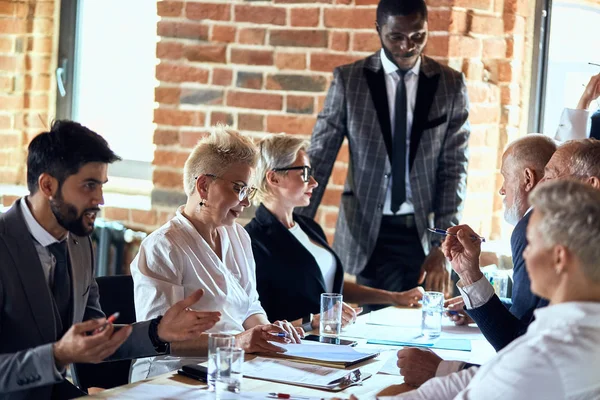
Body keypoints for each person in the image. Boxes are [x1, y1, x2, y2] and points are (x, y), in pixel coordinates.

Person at [0, 121, 221, 400]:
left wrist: (158, 332)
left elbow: (98, 336)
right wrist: (57, 356)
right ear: (47, 185)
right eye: (89, 186)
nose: (100, 200)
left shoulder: (78, 243)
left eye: (101, 186)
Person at [296, 0, 470, 308]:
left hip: (422, 231)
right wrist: (292, 227)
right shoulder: (350, 81)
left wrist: (443, 244)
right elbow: (319, 158)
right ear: (379, 30)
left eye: (418, 36)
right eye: (396, 37)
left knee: (424, 323)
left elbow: (454, 170)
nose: (407, 46)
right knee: (373, 327)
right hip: (366, 231)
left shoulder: (450, 84)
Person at [363, 180, 600, 399]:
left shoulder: (548, 354)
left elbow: (486, 387)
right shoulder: (570, 329)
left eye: (532, 243)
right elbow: (490, 374)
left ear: (559, 258)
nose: (525, 253)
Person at [130, 126, 302, 381]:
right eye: (238, 188)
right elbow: (163, 339)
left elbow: (249, 305)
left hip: (231, 365)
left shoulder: (239, 237)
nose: (245, 202)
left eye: (248, 191)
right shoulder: (162, 247)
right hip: (171, 376)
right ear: (203, 185)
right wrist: (237, 342)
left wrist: (266, 331)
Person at [397, 134, 557, 386]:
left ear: (527, 179)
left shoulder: (532, 226)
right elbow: (535, 314)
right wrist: (483, 302)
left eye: (505, 177)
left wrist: (442, 370)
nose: (502, 189)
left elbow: (515, 346)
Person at [245, 134, 424, 331]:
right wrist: (311, 320)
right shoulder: (252, 241)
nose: (314, 182)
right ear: (274, 178)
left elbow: (329, 286)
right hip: (294, 349)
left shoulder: (309, 227)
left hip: (331, 341)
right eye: (304, 173)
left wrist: (394, 297)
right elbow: (258, 322)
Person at [555, 73, 600, 141]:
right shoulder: (596, 120)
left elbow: (573, 148)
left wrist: (586, 99)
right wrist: (586, 99)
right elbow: (573, 148)